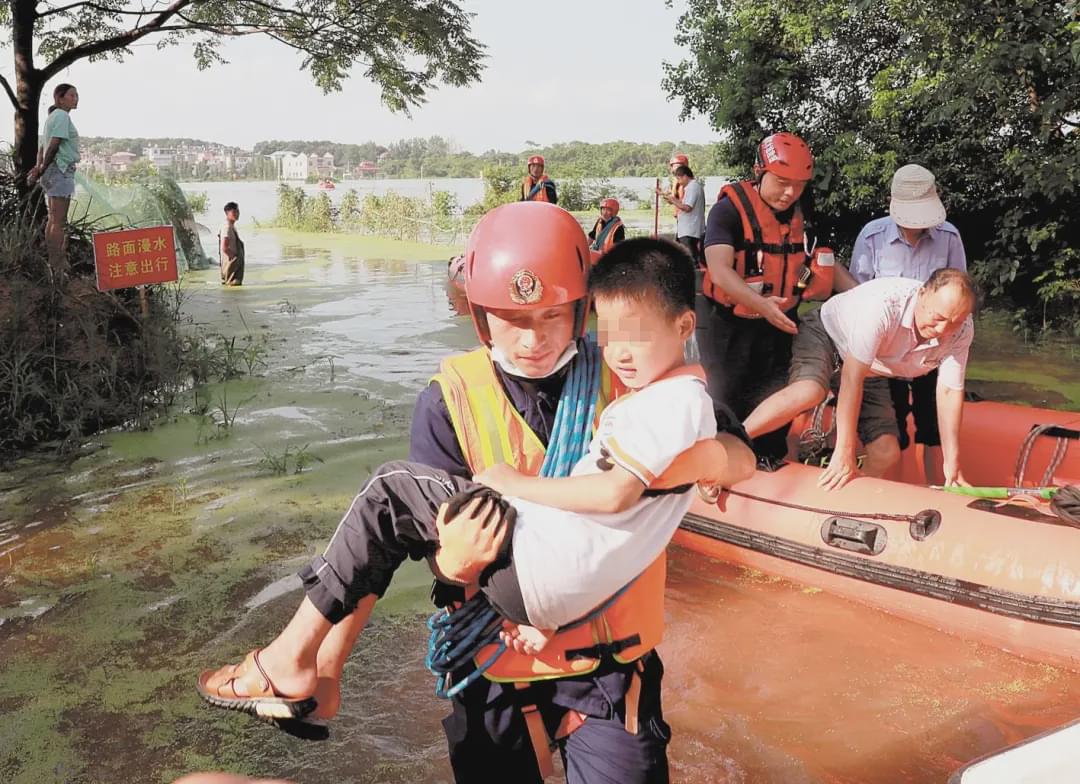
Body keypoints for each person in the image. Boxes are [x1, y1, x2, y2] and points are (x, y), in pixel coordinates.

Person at [198, 203, 756, 784]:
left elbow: (741, 455)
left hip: (608, 670)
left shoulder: (635, 368)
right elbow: (416, 548)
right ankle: (317, 665)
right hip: (494, 660)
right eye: (513, 319)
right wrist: (451, 564)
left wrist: (696, 461)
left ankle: (299, 661)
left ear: (581, 309)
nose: (534, 338)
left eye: (551, 315)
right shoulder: (450, 399)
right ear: (482, 318)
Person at [743, 268, 977, 491]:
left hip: (873, 365)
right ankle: (733, 437)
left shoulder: (962, 330)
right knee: (810, 391)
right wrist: (844, 451)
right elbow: (852, 377)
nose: (943, 330)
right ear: (922, 294)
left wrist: (952, 462)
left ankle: (838, 500)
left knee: (887, 453)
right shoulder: (884, 307)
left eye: (954, 322)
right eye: (938, 318)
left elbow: (948, 391)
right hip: (827, 335)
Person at [697, 132, 828, 463]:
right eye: (782, 182)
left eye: (798, 185)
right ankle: (718, 459)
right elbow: (720, 269)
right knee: (726, 396)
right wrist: (762, 305)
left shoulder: (804, 213)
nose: (790, 193)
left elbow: (807, 263)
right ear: (760, 172)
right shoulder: (727, 212)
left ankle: (768, 460)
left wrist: (799, 290)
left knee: (772, 393)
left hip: (779, 321)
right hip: (728, 324)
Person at [833, 165, 967, 485]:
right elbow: (860, 294)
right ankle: (893, 485)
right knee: (891, 418)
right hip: (887, 342)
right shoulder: (873, 236)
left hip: (932, 341)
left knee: (930, 420)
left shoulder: (948, 236)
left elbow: (958, 292)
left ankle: (938, 486)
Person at [26, 83, 80, 268]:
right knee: (59, 221)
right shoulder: (62, 116)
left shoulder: (52, 118)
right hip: (60, 170)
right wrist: (41, 168)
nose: (76, 98)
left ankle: (53, 260)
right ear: (59, 98)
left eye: (76, 95)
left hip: (52, 171)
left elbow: (42, 147)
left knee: (53, 219)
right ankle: (57, 263)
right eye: (71, 95)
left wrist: (39, 167)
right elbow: (54, 144)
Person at [658, 164, 705, 265]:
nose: (678, 182)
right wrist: (666, 196)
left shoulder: (693, 187)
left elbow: (687, 207)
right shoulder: (691, 187)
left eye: (679, 179)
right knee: (683, 255)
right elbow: (681, 203)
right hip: (687, 228)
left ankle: (694, 275)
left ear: (685, 176)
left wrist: (671, 199)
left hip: (689, 229)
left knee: (690, 257)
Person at [219, 202, 245, 286]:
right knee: (231, 285)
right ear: (227, 213)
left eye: (238, 211)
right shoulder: (227, 227)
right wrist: (234, 258)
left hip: (235, 264)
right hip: (231, 264)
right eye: (234, 212)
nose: (237, 214)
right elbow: (224, 247)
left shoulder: (231, 226)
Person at [667, 153, 689, 219]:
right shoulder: (677, 183)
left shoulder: (686, 185)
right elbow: (671, 201)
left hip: (686, 219)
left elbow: (684, 205)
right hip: (680, 218)